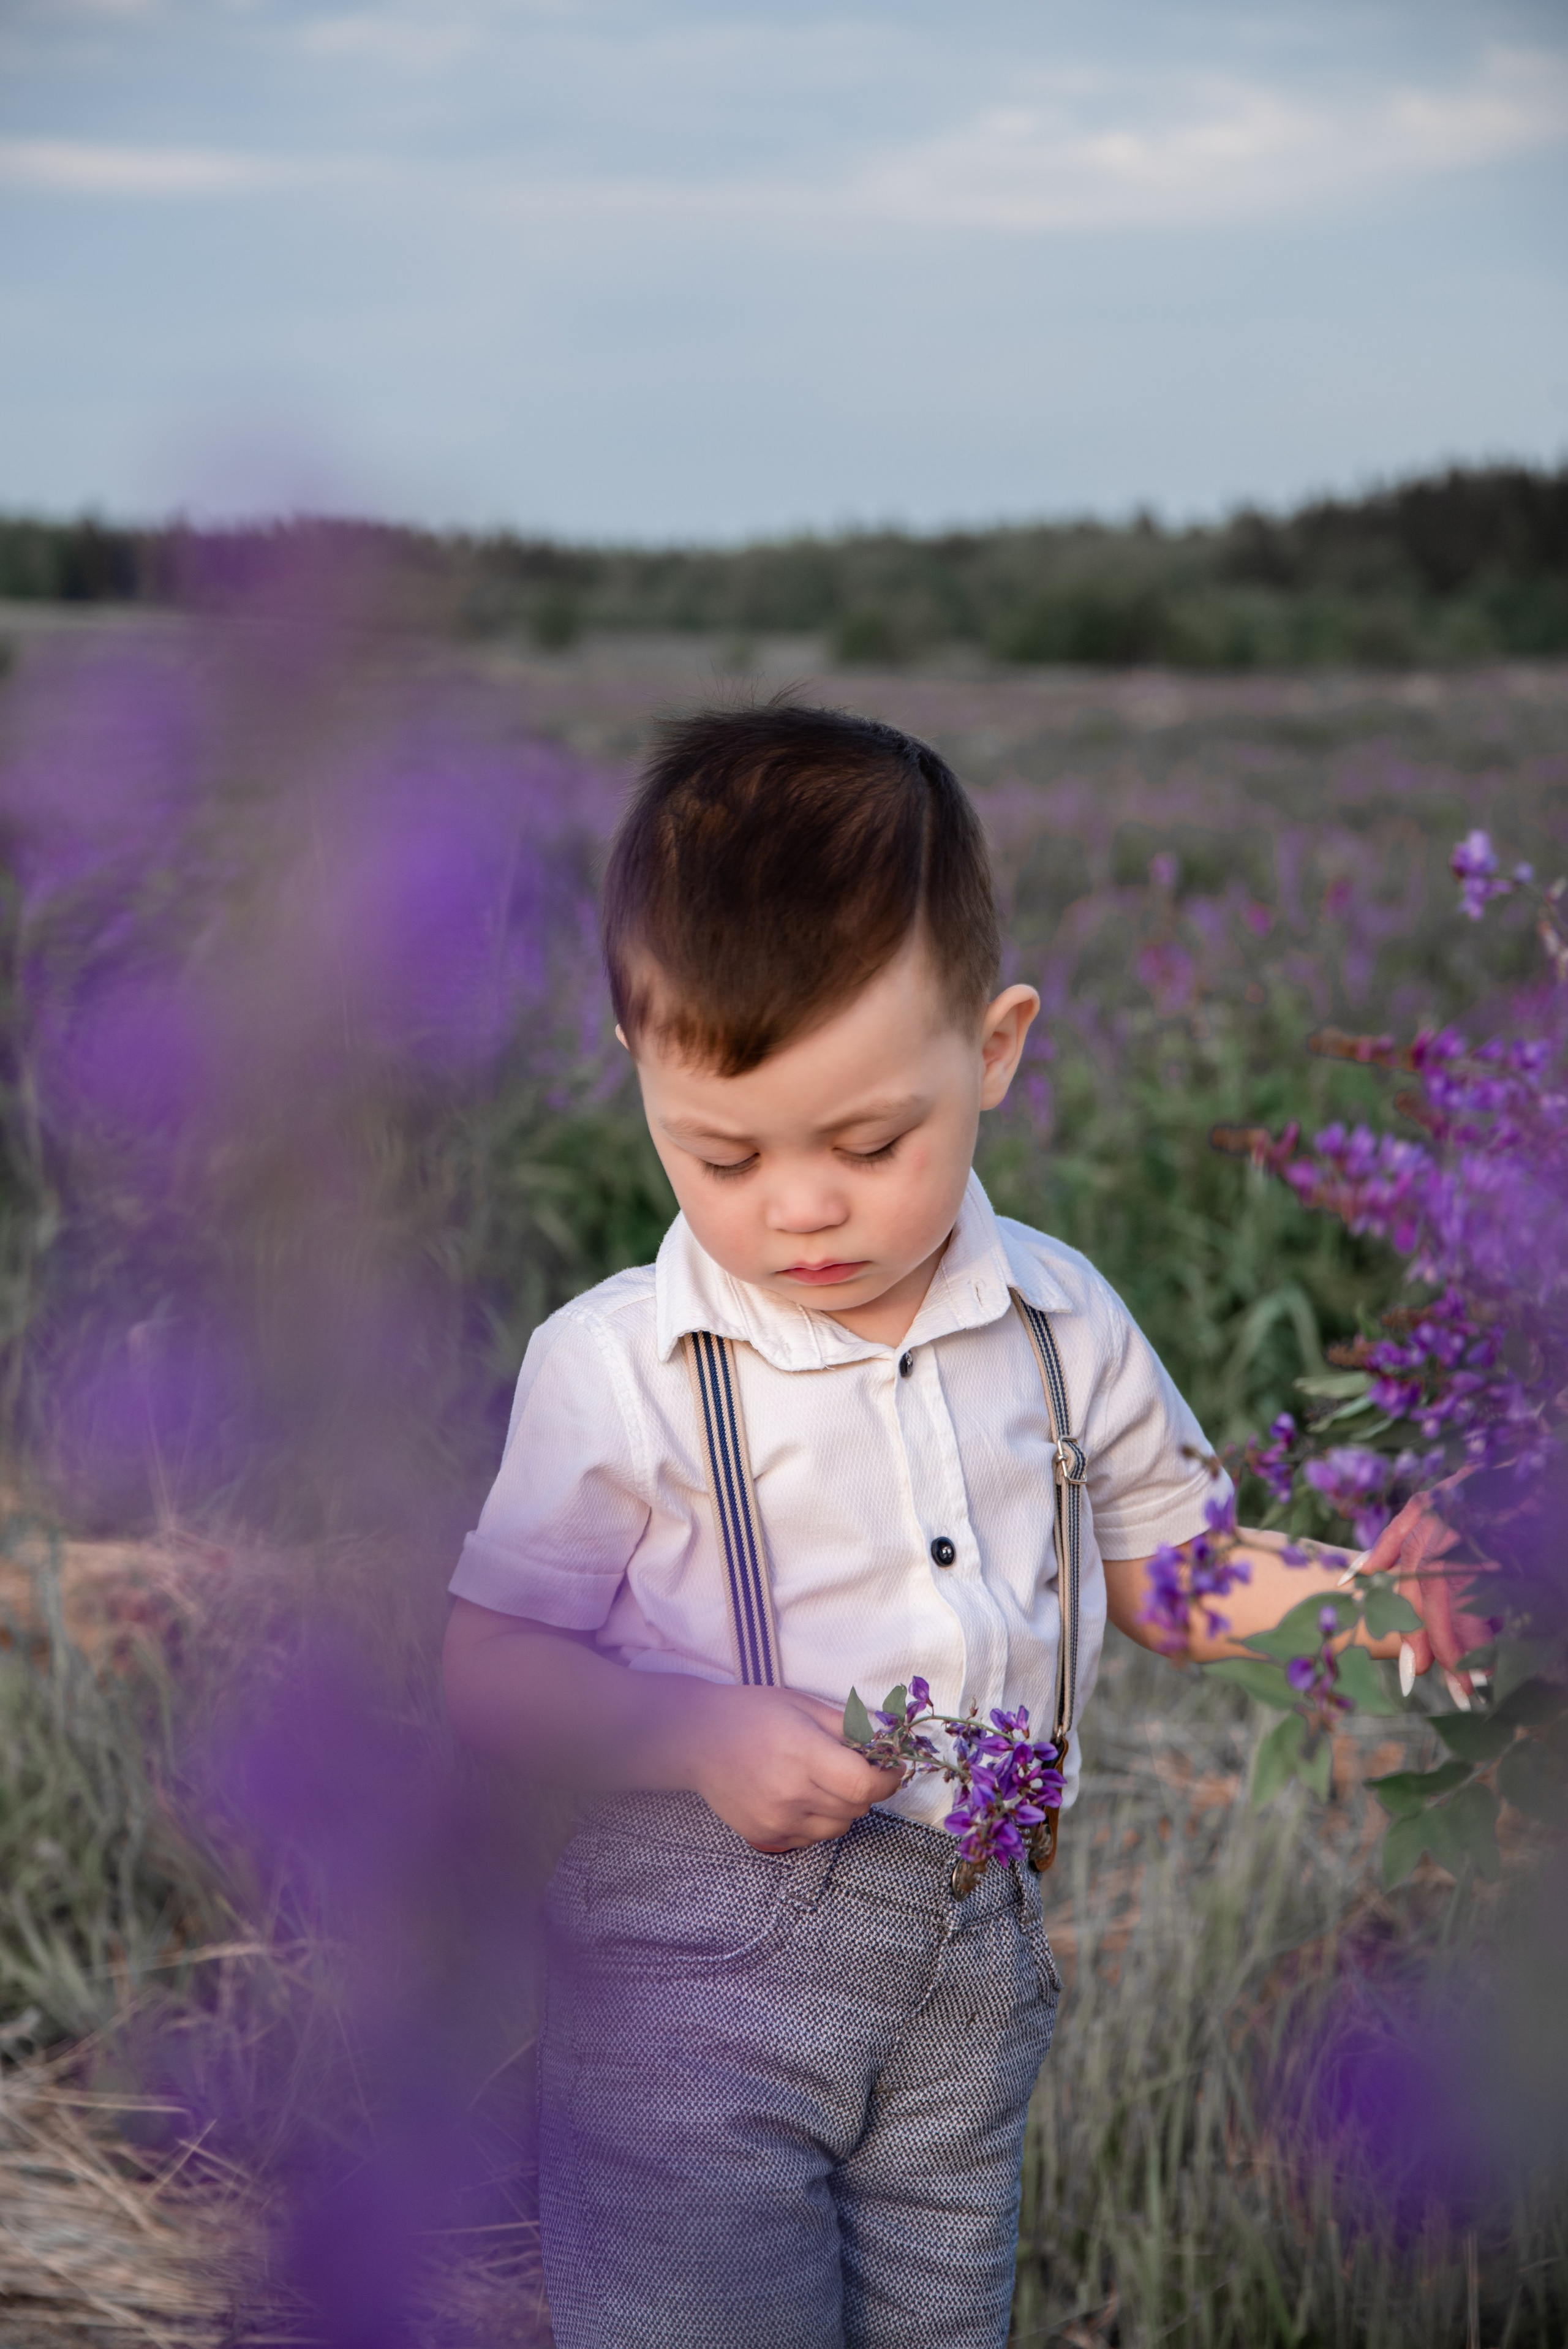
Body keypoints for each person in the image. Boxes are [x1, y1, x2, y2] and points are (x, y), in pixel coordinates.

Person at [443, 704, 1484, 2349]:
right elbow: (493, 1665)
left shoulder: (1064, 1322)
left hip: (969, 1972)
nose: (801, 1204)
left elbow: (1172, 1577)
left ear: (993, 1051)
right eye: (722, 1151)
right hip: (693, 1990)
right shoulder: (619, 1366)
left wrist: (1363, 1608)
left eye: (871, 1142)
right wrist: (694, 1729)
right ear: (636, 1062)